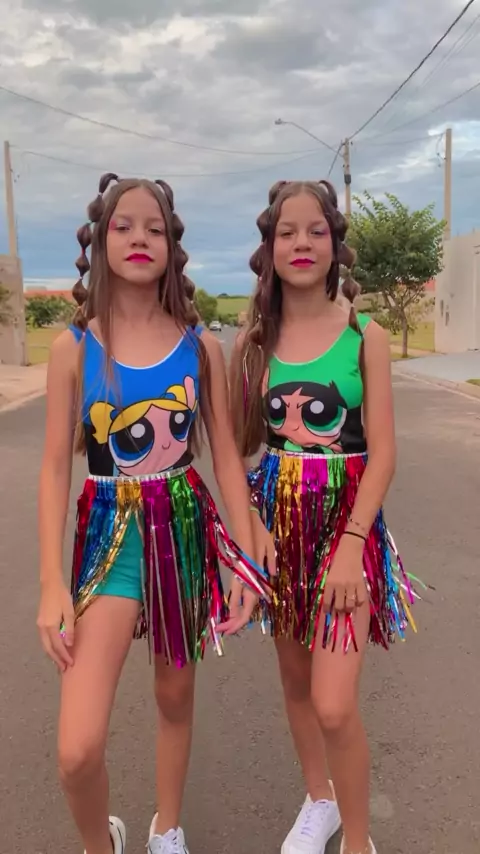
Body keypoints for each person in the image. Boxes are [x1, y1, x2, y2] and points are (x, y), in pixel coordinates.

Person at [36, 173, 271, 854]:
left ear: (172, 246)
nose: (139, 237)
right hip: (107, 537)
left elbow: (225, 456)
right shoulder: (72, 348)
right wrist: (50, 583)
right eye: (124, 225)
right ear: (99, 241)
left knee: (174, 698)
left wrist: (245, 558)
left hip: (182, 528)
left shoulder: (200, 347)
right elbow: (54, 469)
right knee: (77, 750)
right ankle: (100, 842)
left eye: (154, 228)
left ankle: (167, 826)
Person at [228, 179, 418, 854]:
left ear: (335, 243)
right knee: (296, 682)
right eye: (288, 232)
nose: (302, 243)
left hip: (347, 531)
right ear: (270, 247)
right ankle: (321, 800)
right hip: (278, 528)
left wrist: (352, 545)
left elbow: (384, 453)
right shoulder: (253, 342)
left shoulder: (367, 335)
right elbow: (237, 448)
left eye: (316, 231)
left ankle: (358, 840)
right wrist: (250, 535)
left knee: (335, 704)